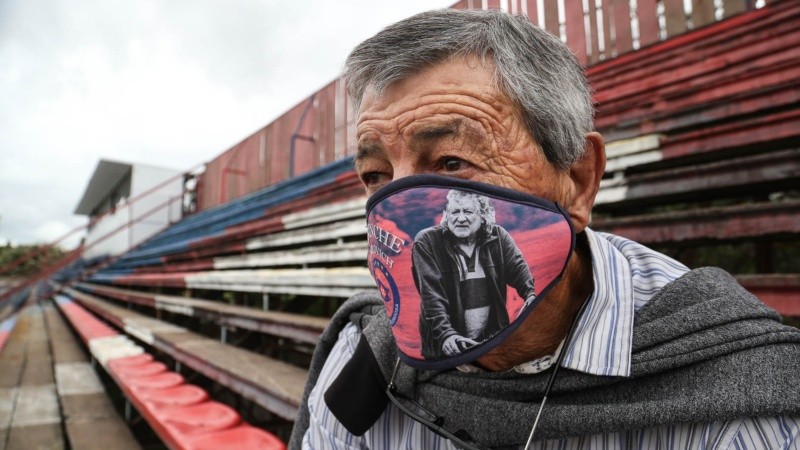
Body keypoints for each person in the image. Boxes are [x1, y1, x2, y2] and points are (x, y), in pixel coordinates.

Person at [290, 8, 800, 450]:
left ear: (577, 181)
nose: (397, 206)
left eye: (450, 161)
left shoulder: (739, 410)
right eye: (376, 176)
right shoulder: (364, 358)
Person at [414, 190, 535, 359]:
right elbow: (432, 295)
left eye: (468, 212)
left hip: (490, 343)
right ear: (446, 215)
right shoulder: (427, 242)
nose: (461, 218)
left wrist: (530, 294)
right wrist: (446, 334)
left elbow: (518, 268)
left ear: (483, 215)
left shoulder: (498, 237)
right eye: (455, 212)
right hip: (446, 347)